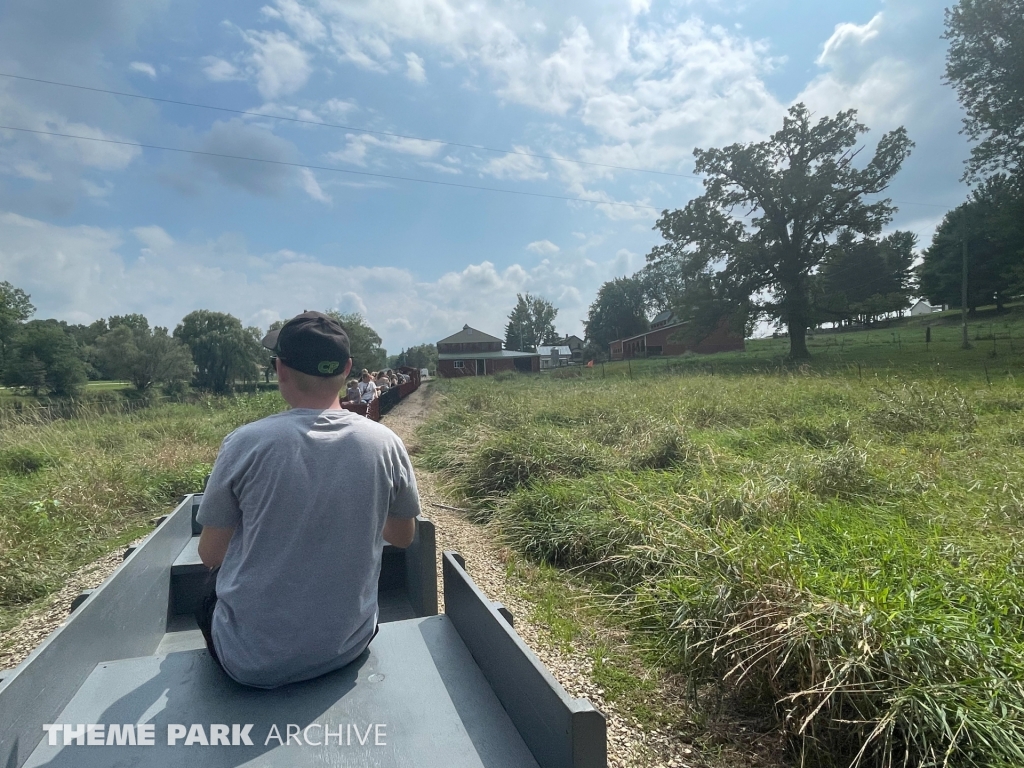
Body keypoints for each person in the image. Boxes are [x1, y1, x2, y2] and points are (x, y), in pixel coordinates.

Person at [194, 311, 420, 688]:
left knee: (207, 592)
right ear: (347, 369)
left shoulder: (245, 443)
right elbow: (401, 536)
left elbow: (211, 555)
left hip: (249, 663)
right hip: (348, 646)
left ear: (280, 369)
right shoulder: (385, 443)